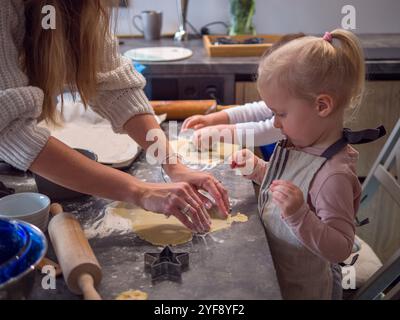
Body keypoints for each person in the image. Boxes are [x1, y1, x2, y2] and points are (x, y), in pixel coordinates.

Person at [0, 0, 229, 234]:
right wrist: (141, 191)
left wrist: (174, 166)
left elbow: (117, 88)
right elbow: (10, 128)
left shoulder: (83, 6)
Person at [230, 29, 385, 299]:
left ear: (322, 106)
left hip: (302, 290)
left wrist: (300, 215)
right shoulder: (303, 144)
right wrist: (258, 170)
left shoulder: (333, 176)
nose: (276, 123)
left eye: (281, 113)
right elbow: (293, 185)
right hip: (275, 270)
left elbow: (340, 248)